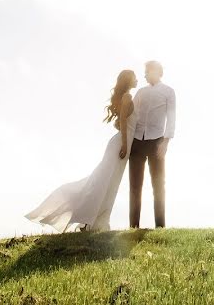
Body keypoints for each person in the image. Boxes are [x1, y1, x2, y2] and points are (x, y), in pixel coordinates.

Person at [25, 69, 138, 232]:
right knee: (102, 182)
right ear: (128, 80)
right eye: (134, 77)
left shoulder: (126, 97)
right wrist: (125, 145)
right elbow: (122, 122)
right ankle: (89, 220)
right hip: (121, 144)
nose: (137, 80)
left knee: (109, 183)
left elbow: (120, 122)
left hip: (120, 143)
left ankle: (95, 221)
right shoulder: (127, 97)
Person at [129, 60, 175, 228]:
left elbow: (171, 118)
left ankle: (160, 226)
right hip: (137, 142)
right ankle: (133, 226)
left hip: (157, 142)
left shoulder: (169, 92)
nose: (145, 74)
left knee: (158, 186)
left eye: (147, 71)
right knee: (135, 186)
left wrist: (166, 142)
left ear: (156, 71)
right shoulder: (140, 92)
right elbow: (131, 115)